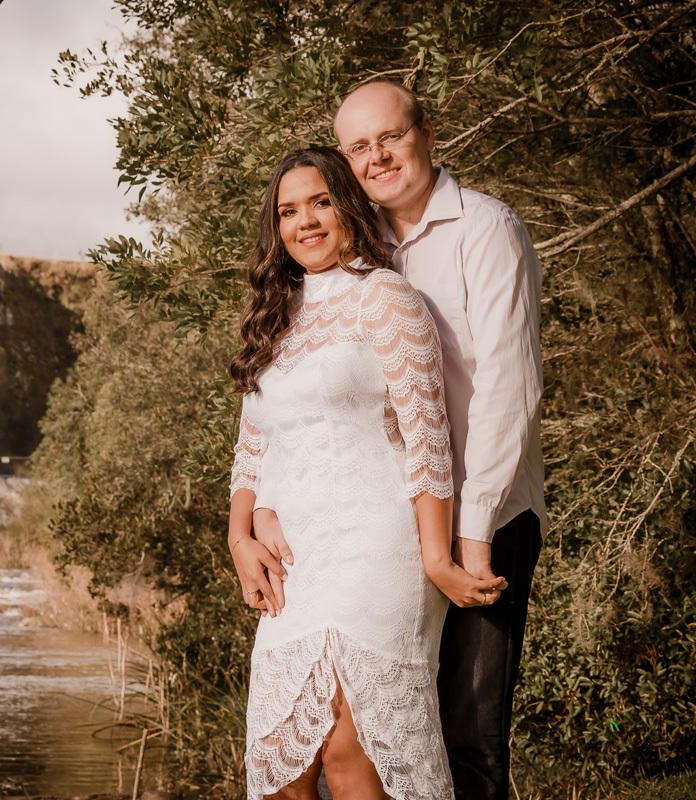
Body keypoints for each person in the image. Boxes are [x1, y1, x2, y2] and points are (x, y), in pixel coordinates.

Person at [227, 147, 506, 800]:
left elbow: (428, 440)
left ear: (349, 206)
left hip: (378, 547)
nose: (306, 222)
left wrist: (438, 557)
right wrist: (239, 538)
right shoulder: (275, 320)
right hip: (295, 560)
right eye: (288, 211)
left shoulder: (388, 300)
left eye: (321, 202)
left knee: (350, 759)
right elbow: (251, 450)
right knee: (279, 771)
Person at [329, 81, 546, 800]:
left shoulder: (487, 228)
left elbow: (508, 389)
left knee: (468, 739)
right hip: (393, 525)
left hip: (486, 520)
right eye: (359, 147)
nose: (378, 157)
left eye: (389, 137)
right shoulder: (356, 250)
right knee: (380, 734)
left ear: (426, 131)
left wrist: (472, 532)